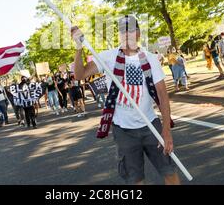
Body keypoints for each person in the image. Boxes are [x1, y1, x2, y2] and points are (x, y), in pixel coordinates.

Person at [71, 15, 180, 185]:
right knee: (135, 179)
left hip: (151, 125)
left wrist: (166, 130)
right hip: (123, 130)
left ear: (138, 33)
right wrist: (79, 48)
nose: (126, 34)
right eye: (123, 31)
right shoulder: (107, 57)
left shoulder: (150, 58)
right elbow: (79, 75)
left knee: (169, 171)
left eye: (130, 30)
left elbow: (162, 96)